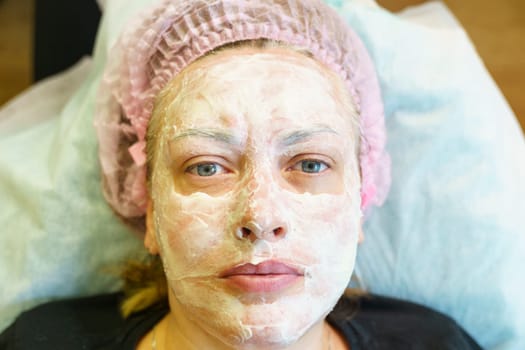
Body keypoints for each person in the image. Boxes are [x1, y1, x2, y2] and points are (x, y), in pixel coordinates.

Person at [0, 0, 482, 349]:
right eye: (207, 166)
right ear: (148, 209)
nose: (260, 216)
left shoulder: (436, 342)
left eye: (310, 164)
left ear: (361, 196)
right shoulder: (40, 341)